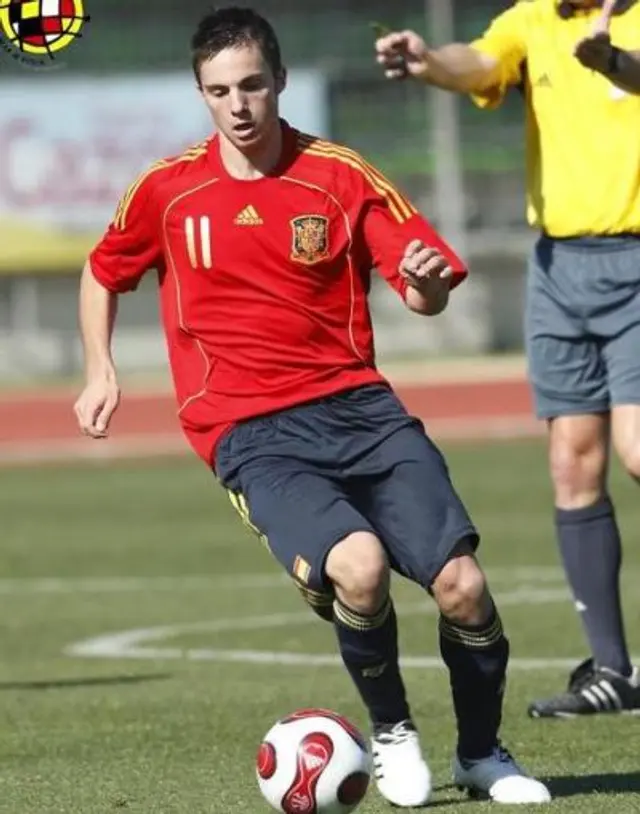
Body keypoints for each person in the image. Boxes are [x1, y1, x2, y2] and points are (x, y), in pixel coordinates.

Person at [74, 6, 550, 806]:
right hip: (250, 428)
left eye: (253, 84)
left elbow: (422, 288)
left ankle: (482, 754)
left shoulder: (340, 175)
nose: (239, 104)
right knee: (358, 568)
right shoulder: (167, 190)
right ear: (202, 93)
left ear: (280, 81)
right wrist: (100, 370)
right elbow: (101, 271)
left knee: (463, 586)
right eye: (220, 89)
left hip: (362, 410)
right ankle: (394, 734)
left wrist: (429, 286)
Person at [375, 0, 640, 720]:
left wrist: (616, 64)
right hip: (559, 268)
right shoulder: (534, 19)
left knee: (638, 449)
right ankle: (613, 671)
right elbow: (483, 63)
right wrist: (430, 62)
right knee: (572, 464)